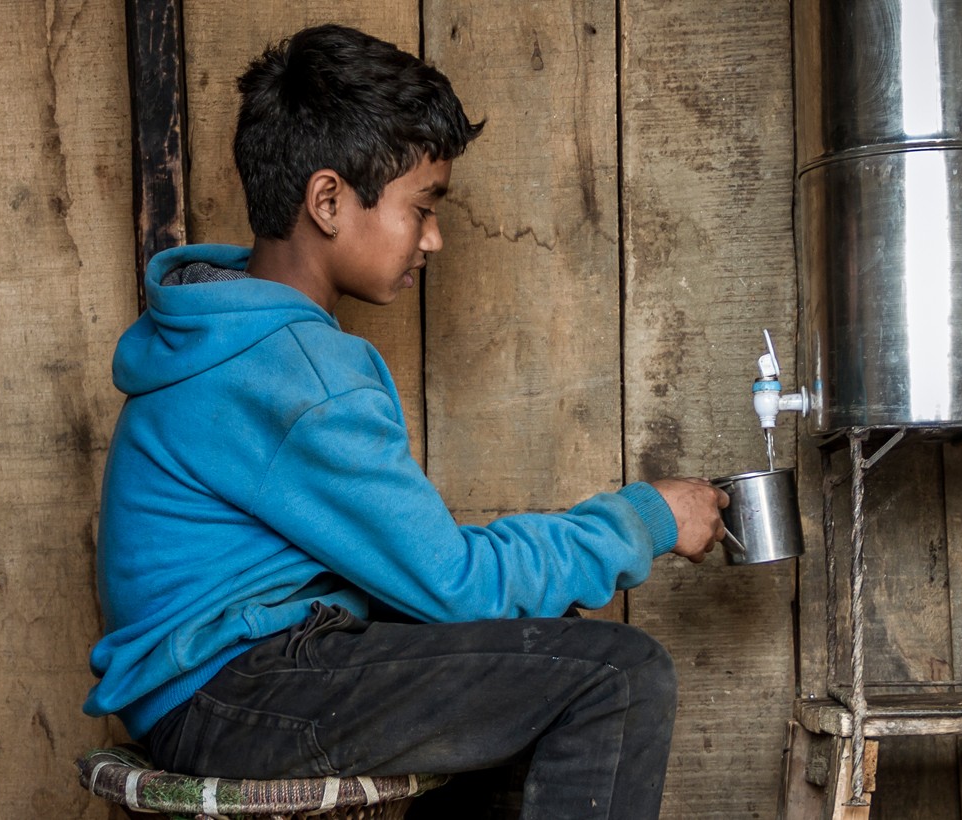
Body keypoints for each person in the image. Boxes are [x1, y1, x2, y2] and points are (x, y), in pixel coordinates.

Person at [83, 23, 728, 819]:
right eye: (422, 207)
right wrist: (647, 518)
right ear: (328, 201)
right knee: (618, 678)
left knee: (539, 651)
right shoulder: (299, 374)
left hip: (215, 688)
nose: (435, 237)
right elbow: (456, 585)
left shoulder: (226, 335)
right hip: (236, 693)